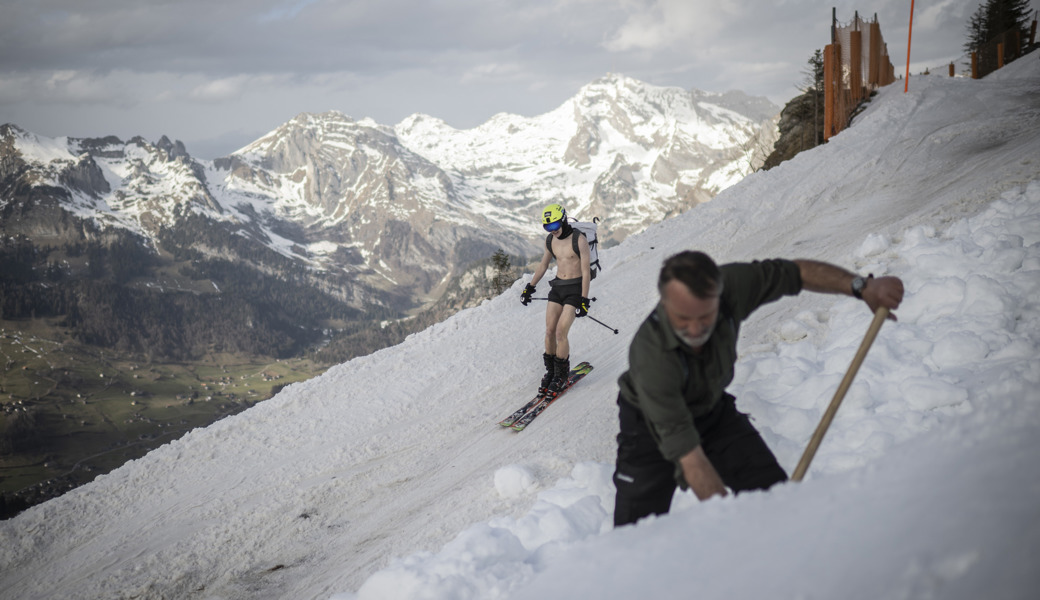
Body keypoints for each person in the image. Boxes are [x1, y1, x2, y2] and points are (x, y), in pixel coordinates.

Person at [613, 250, 904, 527]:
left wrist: (861, 287)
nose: (694, 330)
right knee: (634, 534)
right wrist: (739, 533)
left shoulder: (732, 286)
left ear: (719, 297)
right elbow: (692, 460)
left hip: (711, 409)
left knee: (771, 496)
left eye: (705, 317)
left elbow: (796, 273)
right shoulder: (652, 356)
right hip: (648, 427)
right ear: (664, 303)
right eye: (682, 319)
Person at [520, 203, 592, 395]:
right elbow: (543, 265)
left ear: (563, 219)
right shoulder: (550, 241)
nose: (553, 231)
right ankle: (551, 372)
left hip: (575, 290)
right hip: (558, 287)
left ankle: (561, 375)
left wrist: (584, 300)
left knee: (561, 332)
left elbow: (586, 272)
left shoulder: (580, 240)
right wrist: (530, 287)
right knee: (549, 331)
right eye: (547, 228)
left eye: (554, 226)